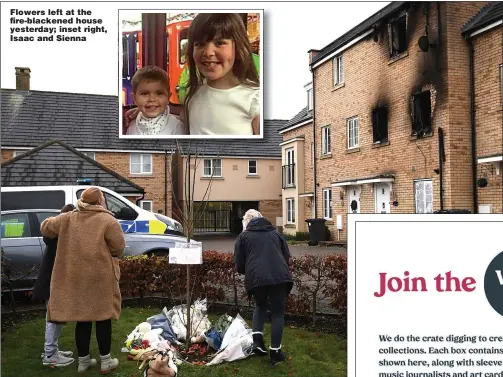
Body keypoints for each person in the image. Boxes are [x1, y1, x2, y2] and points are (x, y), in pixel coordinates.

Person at [124, 13, 260, 136]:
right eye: (200, 44)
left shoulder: (255, 99)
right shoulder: (193, 93)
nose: (208, 52)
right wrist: (147, 115)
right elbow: (183, 127)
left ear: (239, 47)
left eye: (219, 43)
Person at [40, 187, 126, 374]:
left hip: (75, 278)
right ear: (100, 201)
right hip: (101, 277)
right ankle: (105, 361)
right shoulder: (108, 220)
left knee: (83, 319)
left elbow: (45, 227)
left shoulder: (68, 218)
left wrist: (63, 219)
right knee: (103, 318)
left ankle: (83, 361)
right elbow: (119, 248)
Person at [234, 209, 293, 366]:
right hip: (279, 276)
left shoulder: (243, 236)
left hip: (256, 278)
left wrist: (250, 271)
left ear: (246, 223)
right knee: (278, 314)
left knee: (260, 306)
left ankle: (258, 343)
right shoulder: (275, 233)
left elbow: (239, 264)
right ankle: (275, 352)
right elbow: (286, 256)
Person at [33, 203, 76, 368]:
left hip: (51, 281)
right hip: (52, 282)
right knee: (53, 319)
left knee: (56, 318)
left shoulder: (56, 235)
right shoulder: (57, 237)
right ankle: (50, 354)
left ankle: (53, 350)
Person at [125, 65, 186, 136]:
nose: (152, 99)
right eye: (145, 93)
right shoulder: (132, 126)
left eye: (159, 93)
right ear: (134, 98)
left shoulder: (177, 126)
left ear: (168, 97)